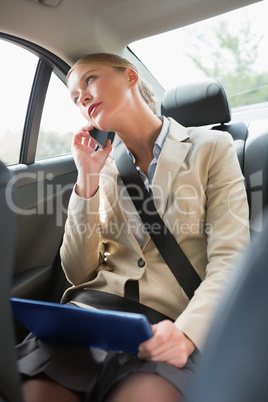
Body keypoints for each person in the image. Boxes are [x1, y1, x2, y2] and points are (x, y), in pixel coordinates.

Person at [17, 53, 249, 402]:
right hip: (89, 317)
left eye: (89, 79)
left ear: (130, 77)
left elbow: (230, 260)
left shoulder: (211, 149)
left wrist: (187, 334)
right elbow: (78, 272)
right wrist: (87, 181)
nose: (82, 97)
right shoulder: (102, 166)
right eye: (74, 97)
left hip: (168, 325)